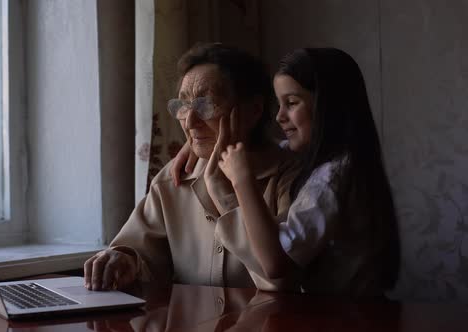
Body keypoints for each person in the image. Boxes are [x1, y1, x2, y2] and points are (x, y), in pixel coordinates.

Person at [175, 48, 401, 296]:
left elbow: (275, 262)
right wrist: (195, 142)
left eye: (292, 103)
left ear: (329, 106)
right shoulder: (345, 160)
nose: (280, 116)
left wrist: (241, 180)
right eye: (279, 103)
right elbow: (269, 149)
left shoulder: (330, 179)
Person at [83, 43, 299, 292]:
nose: (190, 121)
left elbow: (281, 278)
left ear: (253, 110)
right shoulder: (173, 178)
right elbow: (140, 253)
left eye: (206, 105)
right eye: (183, 105)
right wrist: (125, 259)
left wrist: (225, 193)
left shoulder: (291, 176)